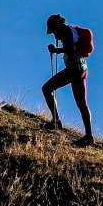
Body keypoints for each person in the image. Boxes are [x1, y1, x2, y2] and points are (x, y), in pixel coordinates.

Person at [41, 13, 95, 146]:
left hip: (73, 69)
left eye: (52, 31)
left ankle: (56, 122)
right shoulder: (73, 30)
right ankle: (89, 136)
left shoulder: (64, 31)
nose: (54, 34)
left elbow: (70, 50)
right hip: (82, 68)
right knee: (82, 104)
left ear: (56, 26)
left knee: (46, 89)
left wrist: (56, 50)